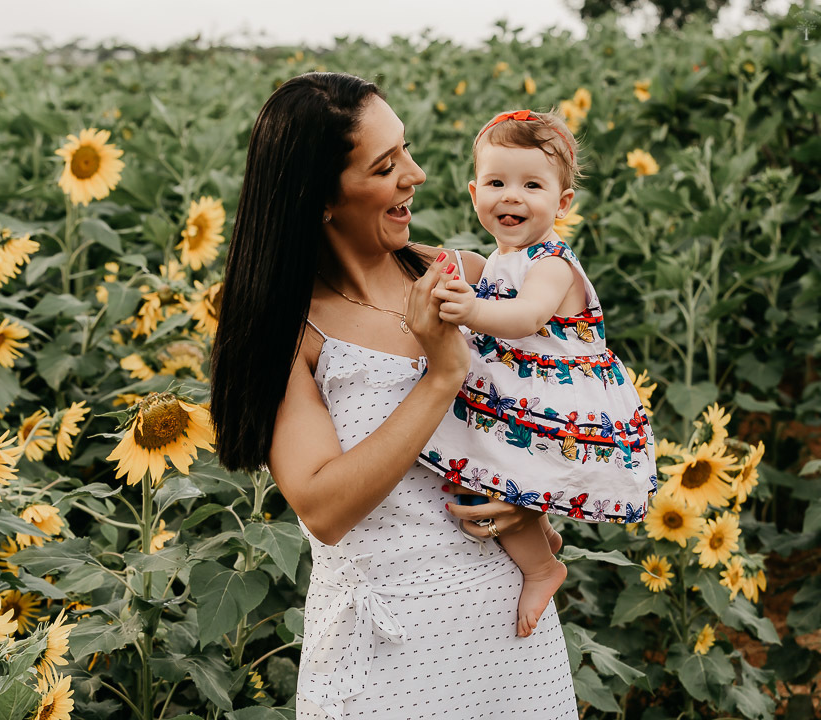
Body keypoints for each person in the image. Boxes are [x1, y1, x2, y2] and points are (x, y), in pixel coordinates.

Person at [211, 74, 579, 720]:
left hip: (512, 641)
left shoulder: (464, 279)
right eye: (385, 166)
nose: (416, 174)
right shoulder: (289, 331)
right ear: (321, 198)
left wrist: (534, 495)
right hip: (384, 660)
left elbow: (573, 399)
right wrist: (441, 376)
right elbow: (323, 508)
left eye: (404, 149)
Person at [421, 109, 658, 639]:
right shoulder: (503, 256)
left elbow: (526, 317)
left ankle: (541, 568)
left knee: (498, 474)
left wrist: (471, 310)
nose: (512, 196)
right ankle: (543, 538)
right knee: (504, 469)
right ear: (474, 192)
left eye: (532, 185)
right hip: (524, 387)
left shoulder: (551, 263)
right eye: (497, 183)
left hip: (553, 395)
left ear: (562, 202)